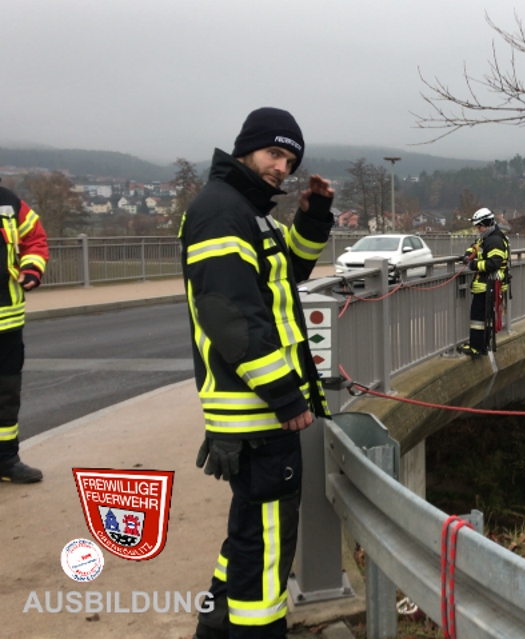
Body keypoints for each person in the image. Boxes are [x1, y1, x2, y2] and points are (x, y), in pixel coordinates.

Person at [182, 107, 334, 639]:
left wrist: (313, 218)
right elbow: (232, 318)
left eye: (290, 161)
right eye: (274, 154)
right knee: (267, 545)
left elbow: (288, 272)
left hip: (252, 413)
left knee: (250, 531)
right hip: (258, 414)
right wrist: (286, 397)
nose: (281, 168)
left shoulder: (247, 210)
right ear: (246, 148)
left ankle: (216, 629)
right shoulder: (222, 212)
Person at [0, 183, 48, 484]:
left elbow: (35, 239)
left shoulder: (8, 202)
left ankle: (6, 460)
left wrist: (31, 269)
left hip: (7, 321)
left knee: (6, 394)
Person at [458, 208, 509, 357]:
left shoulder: (495, 241)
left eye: (479, 226)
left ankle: (476, 347)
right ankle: (483, 345)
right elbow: (474, 248)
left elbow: (493, 263)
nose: (478, 229)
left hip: (488, 285)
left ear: (487, 224)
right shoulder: (487, 237)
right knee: (485, 318)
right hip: (487, 285)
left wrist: (473, 264)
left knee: (478, 318)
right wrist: (467, 256)